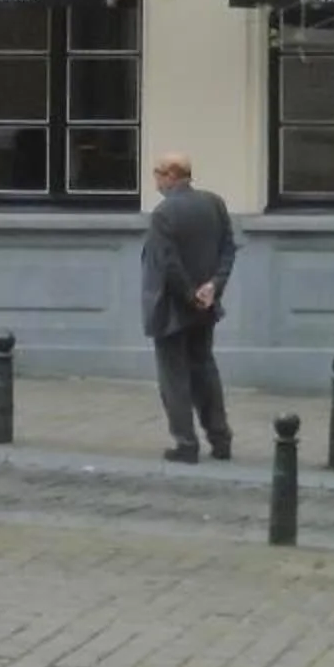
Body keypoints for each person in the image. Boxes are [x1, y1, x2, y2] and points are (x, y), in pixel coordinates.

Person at [140, 149, 236, 463]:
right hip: (205, 306)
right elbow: (228, 249)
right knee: (204, 370)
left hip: (171, 307)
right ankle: (220, 438)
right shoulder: (214, 203)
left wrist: (190, 294)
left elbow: (167, 263)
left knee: (174, 378)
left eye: (157, 172)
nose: (154, 178)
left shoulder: (163, 214)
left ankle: (185, 443)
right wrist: (213, 286)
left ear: (171, 175)